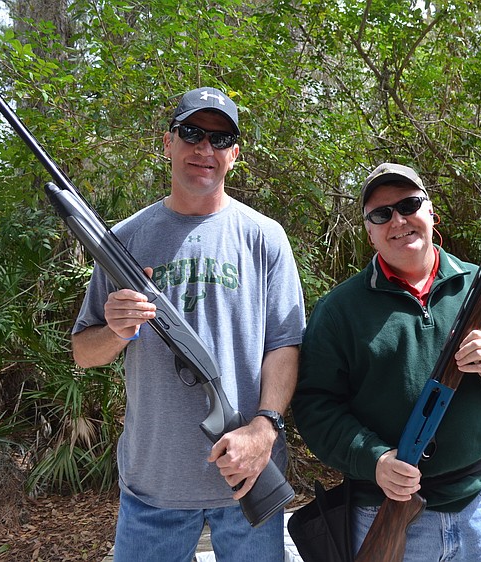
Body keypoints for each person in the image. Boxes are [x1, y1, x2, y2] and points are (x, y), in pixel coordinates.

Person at [71, 86, 306, 562]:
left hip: (247, 478)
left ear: (234, 154)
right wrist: (115, 331)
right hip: (152, 491)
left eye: (219, 139)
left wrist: (264, 429)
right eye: (192, 133)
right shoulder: (124, 240)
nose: (205, 149)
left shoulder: (264, 236)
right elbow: (83, 352)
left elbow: (285, 343)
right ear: (168, 143)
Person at [291, 163, 481, 561]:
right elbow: (314, 406)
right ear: (369, 230)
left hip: (480, 507)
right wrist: (374, 458)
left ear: (431, 212)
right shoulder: (340, 310)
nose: (398, 220)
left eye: (409, 204)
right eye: (381, 214)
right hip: (380, 509)